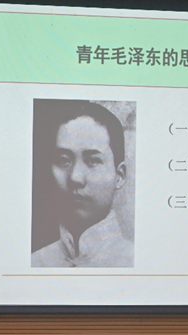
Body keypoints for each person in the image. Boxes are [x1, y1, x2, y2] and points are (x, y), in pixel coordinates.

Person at [31, 100, 134, 268]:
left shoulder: (135, 262)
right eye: (64, 160)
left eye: (93, 161)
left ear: (119, 175)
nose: (75, 178)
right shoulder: (35, 263)